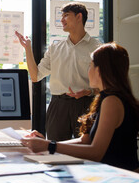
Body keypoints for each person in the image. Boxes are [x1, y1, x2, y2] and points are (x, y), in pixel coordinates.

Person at [21, 42, 139, 171]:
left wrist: (49, 146)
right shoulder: (106, 98)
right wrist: (44, 144)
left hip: (120, 179)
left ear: (99, 71)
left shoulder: (112, 101)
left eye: (90, 66)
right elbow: (85, 141)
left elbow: (96, 152)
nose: (88, 72)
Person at [15, 2, 101, 141]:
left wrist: (89, 92)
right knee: (55, 149)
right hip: (58, 105)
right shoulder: (55, 48)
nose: (62, 20)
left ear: (79, 17)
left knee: (86, 148)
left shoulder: (97, 48)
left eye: (66, 15)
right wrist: (27, 49)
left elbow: (104, 85)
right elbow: (35, 76)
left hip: (86, 104)